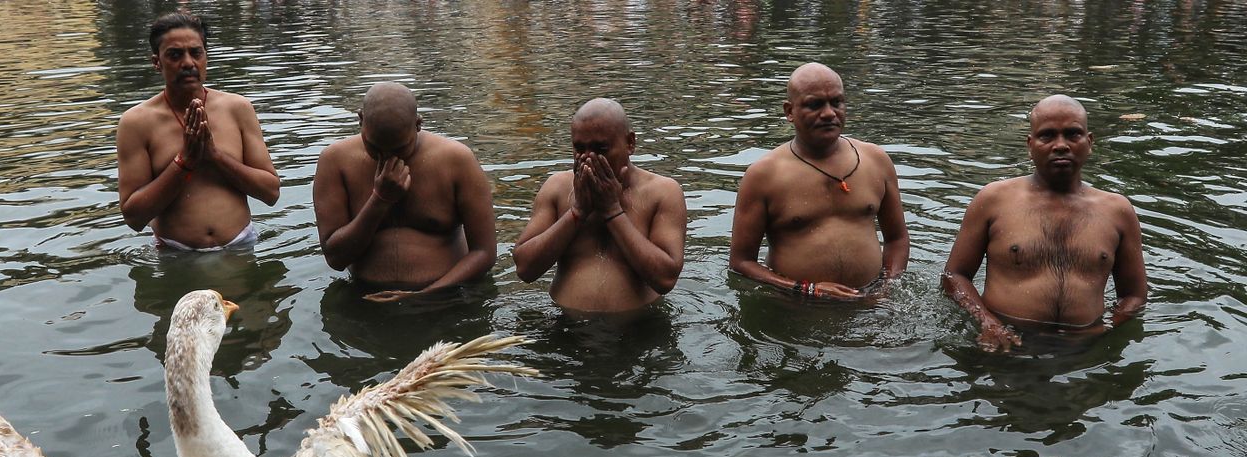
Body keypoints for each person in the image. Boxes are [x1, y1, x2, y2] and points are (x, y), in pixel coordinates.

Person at [942, 95, 1147, 351]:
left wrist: (1107, 329)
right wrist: (987, 323)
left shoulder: (1118, 211)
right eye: (1047, 135)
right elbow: (954, 276)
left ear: (1089, 142)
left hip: (1085, 349)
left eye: (1072, 134)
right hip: (1004, 345)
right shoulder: (994, 200)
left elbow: (1135, 295)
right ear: (1030, 144)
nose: (1060, 145)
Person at [728, 62, 908, 300]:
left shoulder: (875, 160)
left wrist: (886, 288)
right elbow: (740, 263)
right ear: (789, 111)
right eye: (815, 105)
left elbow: (897, 239)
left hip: (870, 305)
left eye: (837, 102)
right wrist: (806, 289)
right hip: (795, 309)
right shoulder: (764, 176)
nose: (829, 113)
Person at [312, 82, 495, 302]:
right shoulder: (335, 161)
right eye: (375, 148)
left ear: (418, 125)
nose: (387, 157)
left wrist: (427, 294)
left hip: (449, 297)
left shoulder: (456, 160)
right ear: (360, 120)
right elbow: (335, 258)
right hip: (363, 298)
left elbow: (484, 253)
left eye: (399, 148)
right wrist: (379, 200)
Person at [116, 11, 280, 251]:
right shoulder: (136, 122)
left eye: (196, 53)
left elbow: (271, 192)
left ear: (206, 58)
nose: (188, 63)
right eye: (174, 55)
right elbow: (133, 217)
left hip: (241, 246)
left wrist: (215, 156)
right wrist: (184, 162)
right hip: (175, 255)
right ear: (156, 62)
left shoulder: (237, 107)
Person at [512, 98, 687, 314]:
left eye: (600, 149)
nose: (588, 158)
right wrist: (578, 212)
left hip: (641, 329)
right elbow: (524, 268)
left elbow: (666, 278)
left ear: (630, 143)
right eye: (579, 148)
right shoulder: (557, 188)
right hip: (563, 328)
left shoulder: (662, 192)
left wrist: (613, 211)